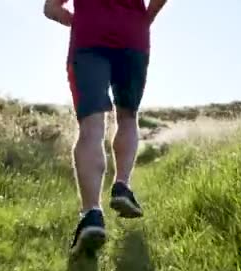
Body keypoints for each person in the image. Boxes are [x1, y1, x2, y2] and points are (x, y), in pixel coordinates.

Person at [43, 0, 168, 256]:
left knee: (91, 127)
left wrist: (74, 20)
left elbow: (50, 7)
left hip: (89, 39)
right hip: (133, 37)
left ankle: (92, 214)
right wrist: (146, 18)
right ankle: (122, 185)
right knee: (128, 117)